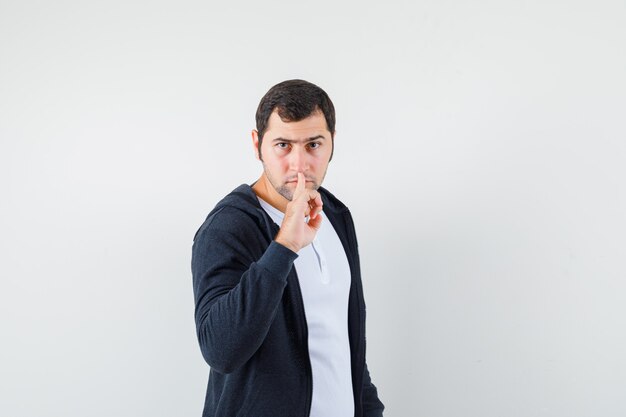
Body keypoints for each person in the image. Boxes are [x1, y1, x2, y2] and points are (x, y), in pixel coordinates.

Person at [191, 79, 384, 417]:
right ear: (257, 144)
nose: (299, 164)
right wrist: (285, 245)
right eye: (283, 145)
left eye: (313, 144)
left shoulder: (336, 216)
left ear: (332, 144)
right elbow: (221, 351)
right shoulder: (228, 227)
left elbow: (343, 340)